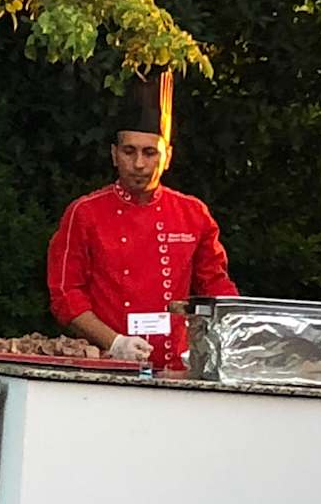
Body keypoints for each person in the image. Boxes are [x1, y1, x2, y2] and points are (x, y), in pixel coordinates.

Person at [47, 71, 238, 372]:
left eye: (150, 153)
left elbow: (217, 290)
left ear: (167, 157)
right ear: (114, 155)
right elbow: (65, 295)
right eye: (129, 151)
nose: (139, 164)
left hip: (178, 368)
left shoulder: (193, 213)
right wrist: (114, 343)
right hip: (105, 367)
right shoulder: (84, 212)